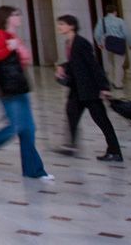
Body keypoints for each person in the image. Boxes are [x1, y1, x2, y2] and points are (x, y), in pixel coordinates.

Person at [0, 5, 52, 180]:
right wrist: (10, 48)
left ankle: (34, 170)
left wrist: (17, 49)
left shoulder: (13, 36)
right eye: (15, 14)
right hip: (7, 88)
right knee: (16, 127)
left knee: (28, 128)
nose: (19, 17)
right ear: (7, 17)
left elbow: (23, 59)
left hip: (19, 86)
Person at [54, 14, 121, 162]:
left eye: (62, 24)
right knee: (71, 114)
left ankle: (115, 151)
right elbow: (75, 63)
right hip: (77, 89)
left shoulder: (81, 43)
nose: (59, 27)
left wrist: (104, 87)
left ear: (71, 26)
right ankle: (71, 146)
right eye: (59, 24)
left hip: (89, 90)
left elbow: (93, 65)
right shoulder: (69, 43)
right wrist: (62, 67)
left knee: (101, 120)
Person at [93, 5, 129, 89]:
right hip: (119, 44)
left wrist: (99, 43)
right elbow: (127, 33)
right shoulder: (120, 21)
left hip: (108, 43)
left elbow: (97, 33)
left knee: (110, 63)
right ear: (115, 12)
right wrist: (130, 43)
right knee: (119, 64)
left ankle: (111, 80)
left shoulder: (102, 21)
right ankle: (118, 83)